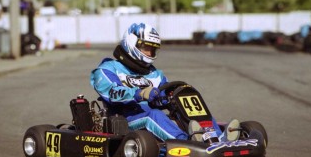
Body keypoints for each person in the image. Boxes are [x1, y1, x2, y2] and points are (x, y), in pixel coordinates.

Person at [90, 22, 240, 142]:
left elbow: (162, 99)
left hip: (152, 117)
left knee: (192, 111)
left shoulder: (154, 73)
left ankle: (218, 138)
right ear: (132, 43)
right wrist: (141, 93)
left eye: (153, 49)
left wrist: (169, 98)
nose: (149, 53)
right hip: (124, 120)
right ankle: (188, 142)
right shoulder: (107, 69)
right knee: (154, 115)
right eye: (146, 47)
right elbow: (112, 93)